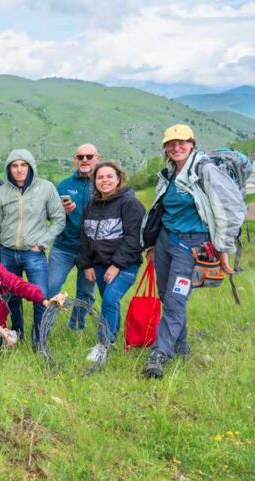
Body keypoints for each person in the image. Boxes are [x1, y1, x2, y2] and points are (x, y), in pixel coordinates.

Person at [142, 124, 245, 378]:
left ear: (192, 143)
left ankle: (159, 354)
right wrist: (153, 243)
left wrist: (223, 248)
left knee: (176, 298)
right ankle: (181, 347)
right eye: (171, 143)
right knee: (167, 296)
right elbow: (161, 210)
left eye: (182, 142)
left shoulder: (205, 170)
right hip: (167, 241)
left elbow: (231, 209)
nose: (176, 147)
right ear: (165, 147)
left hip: (191, 245)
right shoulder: (169, 174)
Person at [0, 149, 65, 347]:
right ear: (9, 169)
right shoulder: (1, 192)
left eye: (23, 165)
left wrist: (42, 243)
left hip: (34, 253)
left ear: (31, 166)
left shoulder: (46, 188)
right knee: (10, 297)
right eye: (14, 166)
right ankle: (17, 332)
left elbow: (59, 219)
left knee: (40, 297)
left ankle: (39, 340)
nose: (19, 169)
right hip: (7, 252)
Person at [77, 161, 145, 362]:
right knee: (110, 302)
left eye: (109, 176)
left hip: (125, 264)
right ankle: (113, 340)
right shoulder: (90, 206)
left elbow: (134, 238)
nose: (104, 180)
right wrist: (87, 264)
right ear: (94, 181)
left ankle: (103, 344)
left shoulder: (130, 203)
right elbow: (85, 237)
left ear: (118, 179)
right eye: (100, 177)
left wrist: (117, 265)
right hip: (98, 264)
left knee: (109, 299)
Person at [47, 144, 98, 329]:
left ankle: (77, 326)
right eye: (80, 156)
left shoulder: (103, 183)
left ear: (97, 158)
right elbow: (49, 214)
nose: (85, 160)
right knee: (50, 288)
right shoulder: (64, 185)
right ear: (75, 159)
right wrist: (62, 211)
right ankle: (45, 326)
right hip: (64, 248)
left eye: (89, 156)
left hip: (91, 251)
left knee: (85, 292)